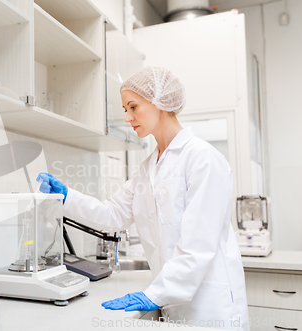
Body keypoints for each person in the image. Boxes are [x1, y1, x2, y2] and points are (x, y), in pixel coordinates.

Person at [37, 66, 249, 331]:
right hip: (173, 303)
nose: (127, 117)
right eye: (126, 109)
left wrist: (154, 293)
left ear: (160, 102)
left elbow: (198, 245)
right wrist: (67, 197)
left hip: (210, 306)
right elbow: (112, 215)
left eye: (133, 107)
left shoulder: (202, 159)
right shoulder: (148, 168)